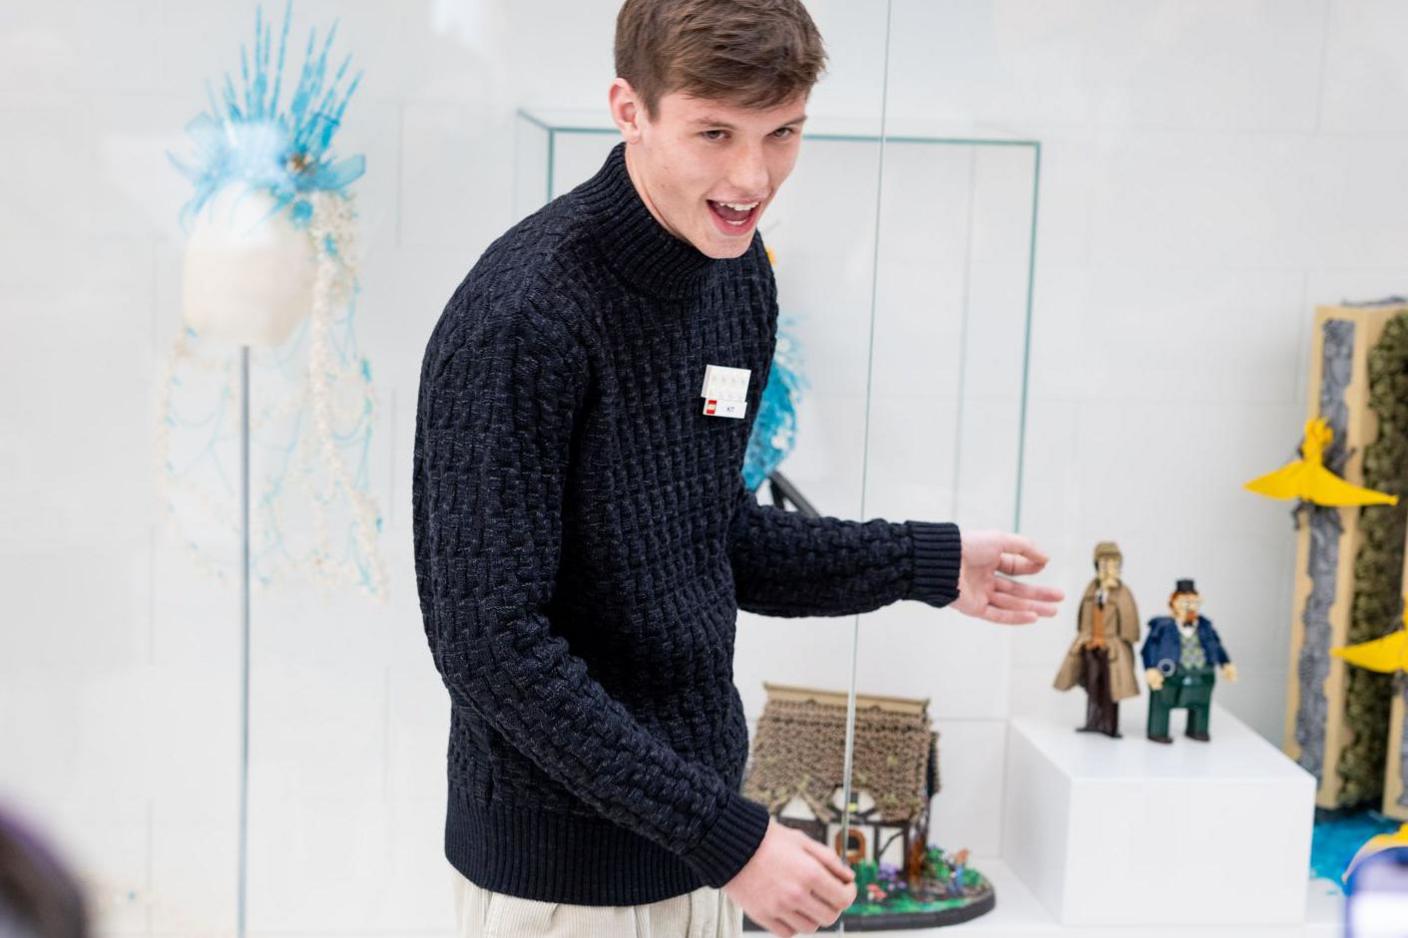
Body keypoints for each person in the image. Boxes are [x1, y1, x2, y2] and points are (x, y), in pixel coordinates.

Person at [411, 1, 1064, 935]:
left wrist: (924, 563)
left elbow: (707, 536)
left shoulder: (737, 272)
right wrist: (728, 837)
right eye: (714, 133)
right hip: (563, 882)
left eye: (783, 132)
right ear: (628, 110)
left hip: (704, 850)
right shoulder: (522, 320)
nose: (752, 176)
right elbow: (489, 649)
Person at [1052, 541, 1140, 737]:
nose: (1108, 569)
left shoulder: (1122, 593)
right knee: (1092, 685)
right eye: (1103, 564)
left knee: (1112, 688)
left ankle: (1110, 726)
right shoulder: (1092, 589)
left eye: (1113, 564)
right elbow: (1084, 616)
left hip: (1112, 648)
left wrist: (1120, 642)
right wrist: (1085, 638)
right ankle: (1092, 721)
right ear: (1096, 565)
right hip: (1091, 644)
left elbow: (1129, 624)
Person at [1141, 579, 1237, 743]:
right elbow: (1150, 647)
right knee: (1162, 701)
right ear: (1173, 603)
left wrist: (1225, 663)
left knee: (1201, 703)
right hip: (1172, 672)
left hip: (1201, 672)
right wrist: (1151, 668)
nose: (1191, 608)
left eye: (1195, 603)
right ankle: (1158, 730)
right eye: (1186, 603)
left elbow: (1215, 645)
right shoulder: (1162, 627)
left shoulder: (1205, 626)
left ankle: (1198, 728)